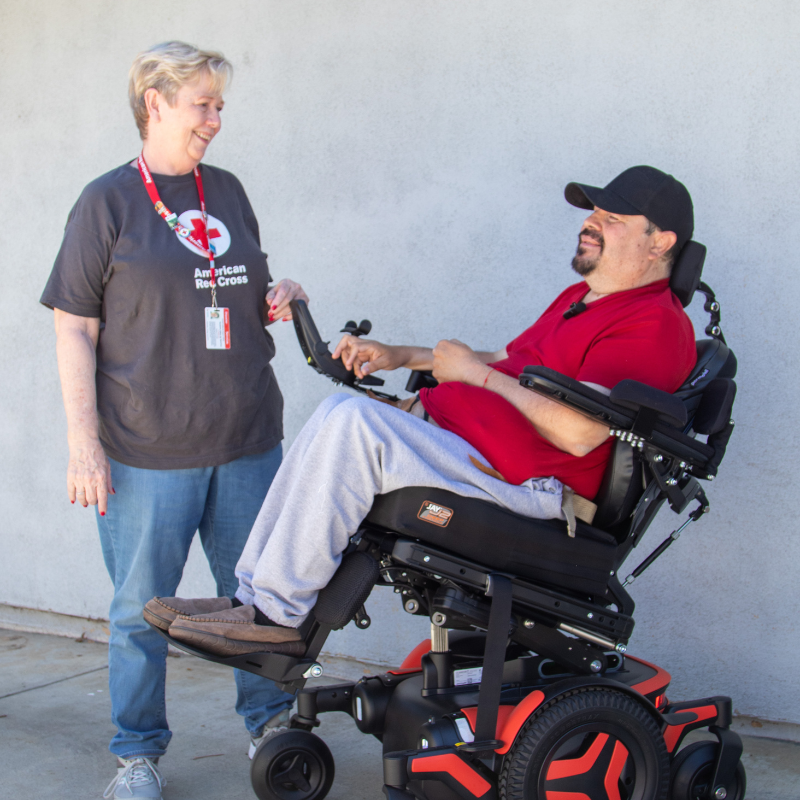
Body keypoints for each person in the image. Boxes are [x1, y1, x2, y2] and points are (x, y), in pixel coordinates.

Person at [149, 165, 698, 661]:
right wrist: (400, 355)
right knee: (338, 409)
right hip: (465, 449)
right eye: (593, 213)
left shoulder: (654, 326)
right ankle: (251, 601)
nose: (591, 223)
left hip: (532, 490)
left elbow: (581, 432)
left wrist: (475, 377)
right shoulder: (580, 299)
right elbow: (510, 362)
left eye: (612, 218)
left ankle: (275, 619)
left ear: (661, 242)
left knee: (352, 425)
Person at [40, 42, 309, 800]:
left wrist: (277, 290)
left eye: (220, 104)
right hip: (145, 450)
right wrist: (83, 445)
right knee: (140, 611)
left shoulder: (225, 189)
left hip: (247, 438)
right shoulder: (107, 203)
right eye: (204, 104)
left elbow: (235, 288)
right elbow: (73, 327)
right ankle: (136, 755)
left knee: (257, 603)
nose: (217, 119)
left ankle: (271, 729)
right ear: (154, 103)